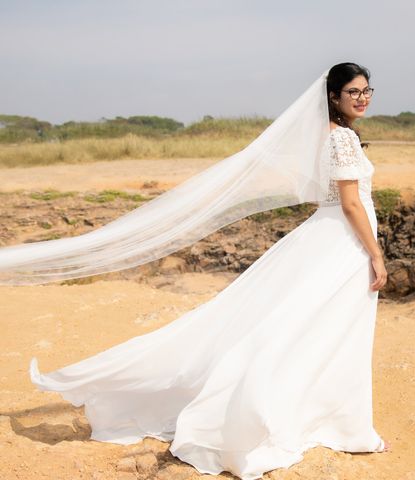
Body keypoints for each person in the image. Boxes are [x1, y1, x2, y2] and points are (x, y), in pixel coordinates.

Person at [27, 62, 390, 480]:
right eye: (353, 92)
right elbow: (350, 203)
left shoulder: (327, 135)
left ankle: (326, 417)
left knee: (313, 326)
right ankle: (335, 423)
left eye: (367, 91)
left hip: (330, 237)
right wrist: (376, 255)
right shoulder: (342, 137)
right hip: (342, 241)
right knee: (325, 328)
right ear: (334, 97)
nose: (362, 98)